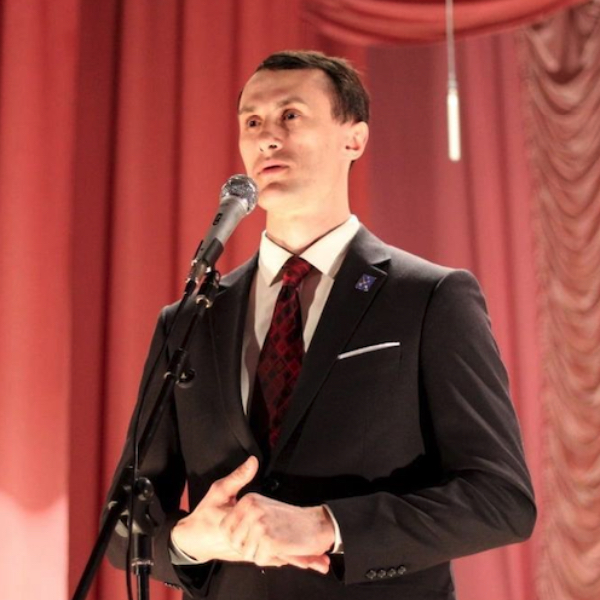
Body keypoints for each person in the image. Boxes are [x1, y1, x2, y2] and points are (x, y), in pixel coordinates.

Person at [106, 50, 536, 600]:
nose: (267, 137)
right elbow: (122, 527)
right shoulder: (189, 320)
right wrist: (193, 538)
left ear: (353, 139)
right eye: (252, 122)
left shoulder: (430, 297)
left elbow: (501, 501)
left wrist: (327, 526)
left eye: (290, 115)